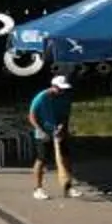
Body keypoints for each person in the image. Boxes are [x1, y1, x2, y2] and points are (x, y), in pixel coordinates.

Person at [28, 72, 76, 201]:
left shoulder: (65, 98)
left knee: (66, 158)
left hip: (58, 131)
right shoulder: (41, 97)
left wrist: (62, 128)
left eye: (64, 89)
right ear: (53, 86)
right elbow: (32, 116)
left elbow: (65, 115)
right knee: (42, 159)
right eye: (60, 88)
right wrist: (41, 131)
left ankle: (68, 187)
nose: (62, 91)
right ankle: (38, 189)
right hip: (42, 131)